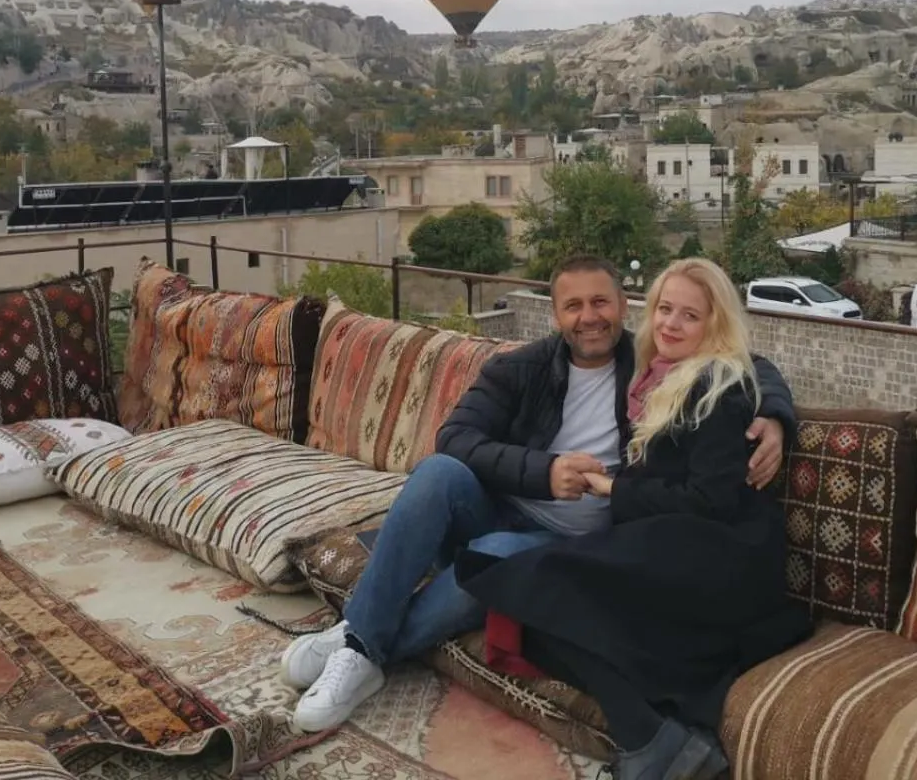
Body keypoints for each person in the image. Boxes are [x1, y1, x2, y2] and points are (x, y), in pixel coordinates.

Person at [281, 253, 798, 734]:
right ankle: (362, 641)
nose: (589, 317)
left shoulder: (646, 361)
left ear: (621, 306)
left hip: (571, 545)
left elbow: (744, 361)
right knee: (439, 472)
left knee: (495, 559)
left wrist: (774, 416)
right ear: (555, 315)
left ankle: (359, 645)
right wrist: (543, 473)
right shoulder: (519, 369)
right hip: (499, 507)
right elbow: (455, 438)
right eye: (573, 305)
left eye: (600, 302)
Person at [457, 258, 813, 780]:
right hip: (674, 541)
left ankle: (648, 739)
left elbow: (710, 501)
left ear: (714, 325)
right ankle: (650, 738)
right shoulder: (653, 376)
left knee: (533, 587)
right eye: (665, 309)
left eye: (690, 316)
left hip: (721, 556)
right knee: (529, 600)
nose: (671, 324)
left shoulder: (719, 387)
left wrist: (613, 489)